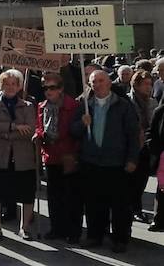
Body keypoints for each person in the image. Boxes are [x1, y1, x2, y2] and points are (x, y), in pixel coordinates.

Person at [71, 70, 140, 253]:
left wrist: (132, 159)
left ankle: (120, 238)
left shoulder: (123, 105)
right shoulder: (86, 105)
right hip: (91, 162)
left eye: (101, 81)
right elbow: (73, 131)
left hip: (116, 163)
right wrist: (81, 124)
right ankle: (95, 235)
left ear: (109, 83)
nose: (98, 84)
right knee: (94, 203)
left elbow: (134, 135)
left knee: (120, 205)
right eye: (94, 82)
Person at [0, 69, 37, 240]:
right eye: (6, 84)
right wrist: (13, 127)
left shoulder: (28, 106)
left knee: (26, 194)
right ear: (0, 85)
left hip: (22, 157)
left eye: (14, 84)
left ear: (19, 86)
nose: (10, 87)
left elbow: (30, 130)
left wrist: (4, 134)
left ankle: (24, 227)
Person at [34, 72, 81, 244]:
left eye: (52, 87)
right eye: (45, 88)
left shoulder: (74, 105)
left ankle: (73, 231)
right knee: (54, 196)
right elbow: (39, 127)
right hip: (51, 156)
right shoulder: (42, 106)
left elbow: (76, 132)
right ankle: (57, 228)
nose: (48, 91)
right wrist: (38, 134)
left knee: (71, 197)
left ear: (60, 89)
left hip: (68, 156)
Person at [128, 70, 155, 224]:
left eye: (150, 84)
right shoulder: (127, 101)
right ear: (136, 85)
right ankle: (132, 208)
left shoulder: (152, 102)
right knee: (131, 181)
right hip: (132, 146)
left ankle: (136, 208)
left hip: (147, 146)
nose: (148, 87)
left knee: (141, 180)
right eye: (145, 84)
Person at [149, 97, 164, 232]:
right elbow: (153, 134)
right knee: (162, 189)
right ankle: (158, 219)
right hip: (163, 156)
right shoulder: (160, 111)